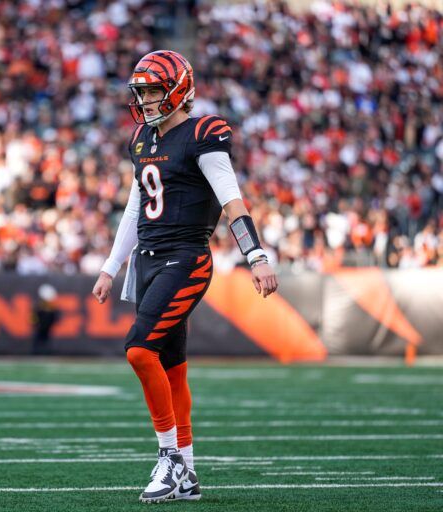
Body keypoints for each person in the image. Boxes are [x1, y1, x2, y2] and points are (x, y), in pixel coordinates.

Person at [91, 50, 278, 503]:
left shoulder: (203, 135)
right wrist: (110, 266)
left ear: (176, 89)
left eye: (153, 90)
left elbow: (232, 201)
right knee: (172, 368)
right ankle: (188, 473)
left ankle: (170, 458)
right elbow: (136, 207)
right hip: (150, 261)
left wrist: (256, 255)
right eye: (142, 92)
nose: (146, 100)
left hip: (187, 257)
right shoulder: (142, 139)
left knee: (139, 351)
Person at [32, 284, 60, 355]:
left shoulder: (51, 309)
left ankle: (45, 352)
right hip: (40, 328)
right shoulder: (39, 308)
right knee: (39, 340)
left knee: (45, 340)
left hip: (46, 328)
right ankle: (37, 353)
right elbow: (33, 319)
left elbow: (55, 319)